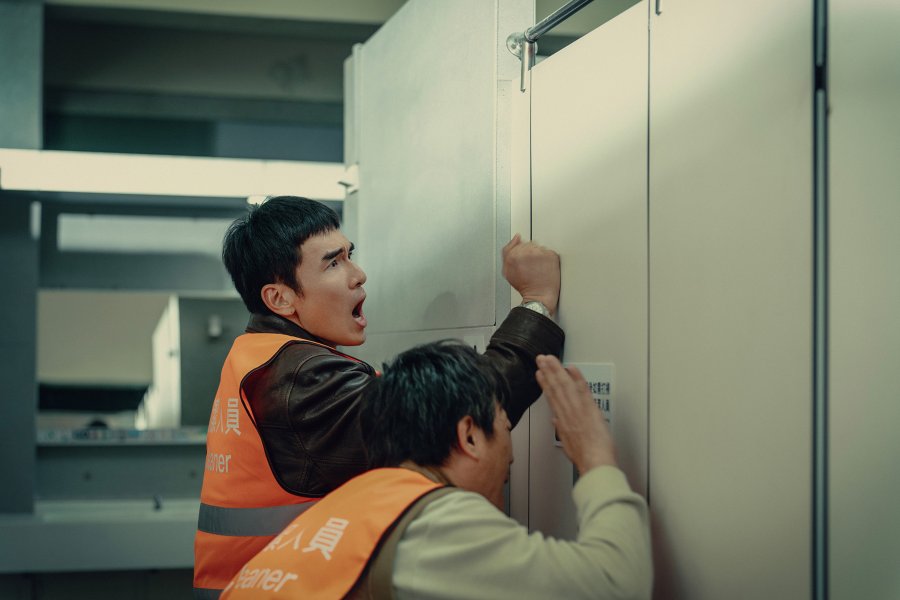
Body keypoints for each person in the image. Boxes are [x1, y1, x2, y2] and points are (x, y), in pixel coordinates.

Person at [194, 196, 565, 598]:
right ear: (280, 299)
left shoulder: (262, 357)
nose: (358, 275)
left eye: (349, 256)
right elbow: (468, 412)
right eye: (332, 264)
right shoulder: (301, 380)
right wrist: (536, 303)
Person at [219, 342, 653, 600]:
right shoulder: (434, 525)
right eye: (505, 429)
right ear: (469, 436)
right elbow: (616, 584)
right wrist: (595, 457)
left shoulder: (353, 504)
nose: (511, 458)